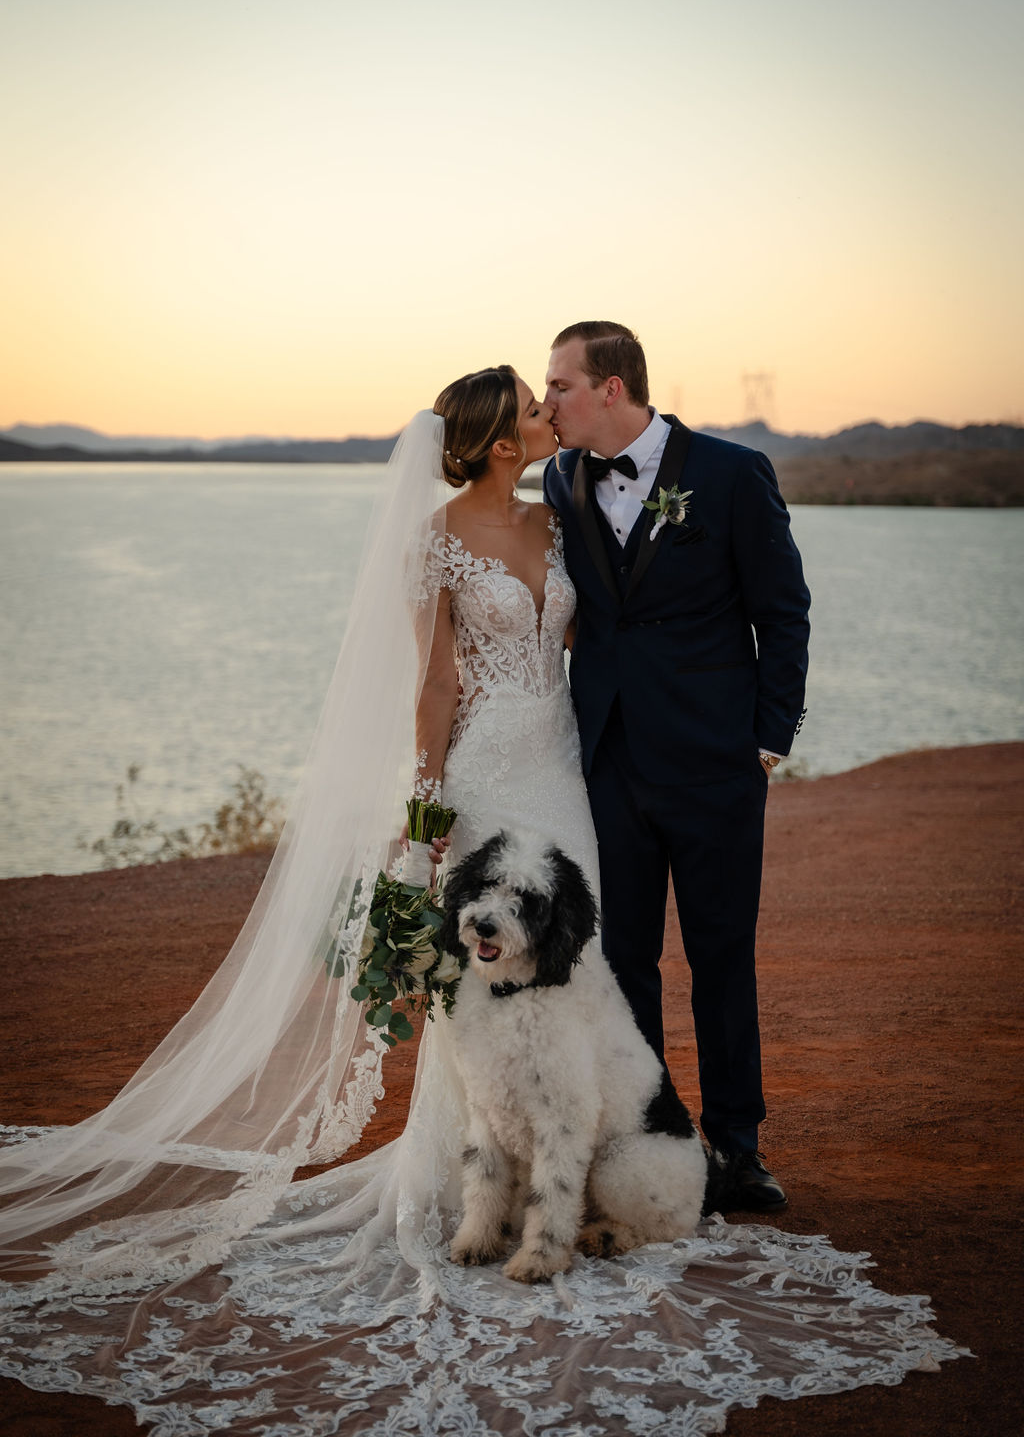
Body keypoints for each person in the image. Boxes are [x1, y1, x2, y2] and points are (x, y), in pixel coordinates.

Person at [0, 368, 960, 1434]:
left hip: (570, 772)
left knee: (577, 968)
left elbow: (620, 632)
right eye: (533, 405)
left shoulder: (566, 514)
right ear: (502, 439)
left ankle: (594, 1160)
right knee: (483, 980)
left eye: (554, 394)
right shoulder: (435, 536)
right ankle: (475, 1180)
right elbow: (436, 681)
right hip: (485, 774)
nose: (550, 414)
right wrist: (424, 801)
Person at [543, 320, 810, 1213]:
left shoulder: (734, 474)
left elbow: (784, 610)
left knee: (722, 954)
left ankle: (737, 1147)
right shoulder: (556, 479)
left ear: (611, 388)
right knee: (623, 959)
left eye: (560, 387)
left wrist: (769, 737)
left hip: (715, 762)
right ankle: (650, 1141)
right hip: (609, 760)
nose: (548, 405)